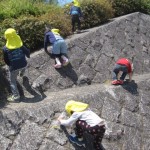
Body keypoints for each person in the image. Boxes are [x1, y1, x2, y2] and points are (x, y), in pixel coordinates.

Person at [2, 28, 30, 102]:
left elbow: (6, 60)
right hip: (24, 64)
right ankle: (22, 73)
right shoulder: (20, 44)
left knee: (12, 82)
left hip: (14, 67)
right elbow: (27, 52)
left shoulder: (5, 48)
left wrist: (10, 65)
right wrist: (28, 56)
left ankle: (16, 97)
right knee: (24, 66)